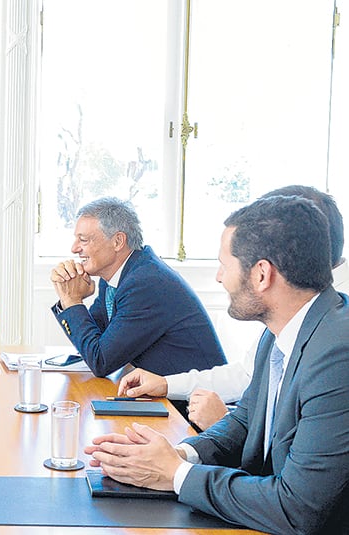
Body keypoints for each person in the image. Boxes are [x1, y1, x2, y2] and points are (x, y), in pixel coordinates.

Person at [85, 195, 349, 533]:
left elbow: (297, 508)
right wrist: (180, 455)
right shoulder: (281, 331)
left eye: (225, 264)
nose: (219, 277)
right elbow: (245, 419)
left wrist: (176, 475)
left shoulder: (336, 355)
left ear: (262, 274)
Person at [118, 185, 349, 429]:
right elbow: (248, 375)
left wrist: (222, 422)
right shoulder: (289, 308)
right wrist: (167, 384)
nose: (220, 277)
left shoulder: (333, 338)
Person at [50, 197, 226, 377]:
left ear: (118, 241)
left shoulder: (145, 284)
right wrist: (69, 298)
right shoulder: (119, 275)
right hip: (162, 390)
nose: (74, 248)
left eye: (83, 240)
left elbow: (100, 360)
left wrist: (72, 301)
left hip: (193, 394)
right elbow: (94, 341)